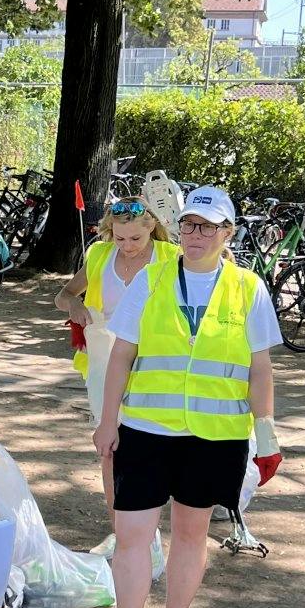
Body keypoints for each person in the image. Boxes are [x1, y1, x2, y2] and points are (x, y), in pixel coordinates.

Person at [74, 186, 283, 608]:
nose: (195, 235)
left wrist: (267, 436)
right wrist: (108, 422)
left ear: (228, 233)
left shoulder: (248, 288)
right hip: (145, 429)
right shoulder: (152, 278)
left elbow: (260, 368)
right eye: (189, 224)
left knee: (190, 536)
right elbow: (122, 353)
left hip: (215, 435)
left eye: (208, 227)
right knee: (132, 536)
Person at [56, 197, 177, 533]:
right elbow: (63, 294)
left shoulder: (172, 258)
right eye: (119, 239)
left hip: (154, 364)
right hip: (104, 361)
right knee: (109, 447)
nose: (127, 247)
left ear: (151, 226)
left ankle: (146, 531)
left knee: (149, 448)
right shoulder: (99, 255)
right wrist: (74, 306)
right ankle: (120, 533)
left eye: (135, 239)